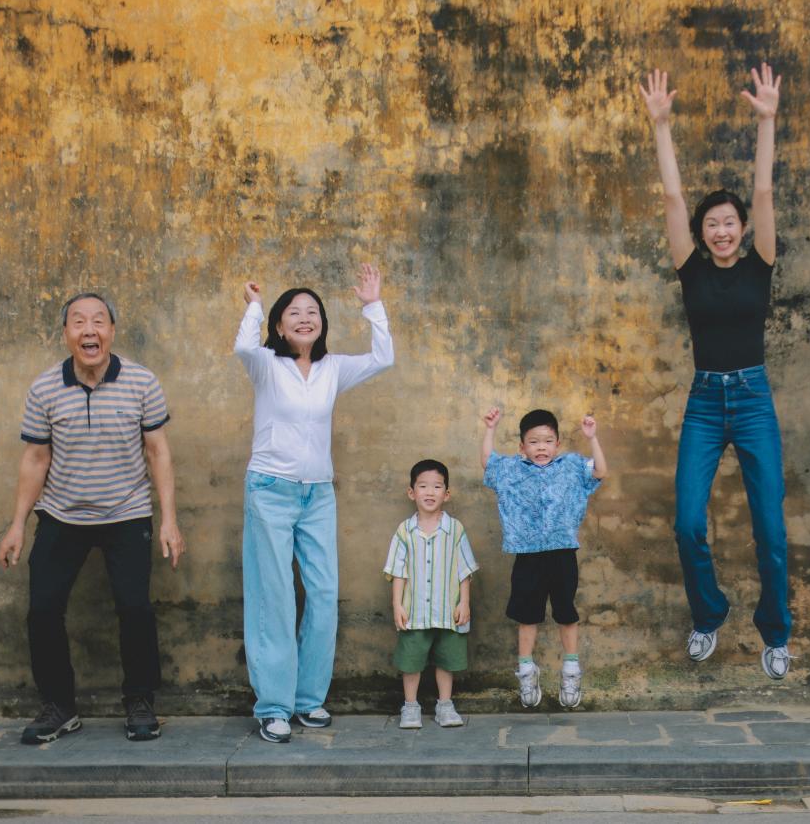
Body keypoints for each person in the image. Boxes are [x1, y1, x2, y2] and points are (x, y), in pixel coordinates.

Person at [639, 64, 794, 680]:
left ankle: (775, 633)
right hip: (706, 401)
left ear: (742, 229)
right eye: (713, 224)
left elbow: (762, 193)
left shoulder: (761, 260)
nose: (723, 229)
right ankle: (708, 615)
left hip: (753, 397)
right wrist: (661, 126)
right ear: (701, 236)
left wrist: (767, 120)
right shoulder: (691, 269)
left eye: (730, 222)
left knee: (772, 530)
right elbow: (674, 196)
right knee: (685, 521)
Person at [0, 292, 184, 745]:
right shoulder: (45, 387)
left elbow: (158, 451)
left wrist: (169, 520)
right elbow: (36, 458)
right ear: (66, 335)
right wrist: (18, 523)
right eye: (78, 323)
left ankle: (140, 702)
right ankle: (59, 707)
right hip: (62, 514)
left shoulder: (141, 381)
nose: (89, 331)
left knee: (135, 608)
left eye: (98, 322)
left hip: (127, 512)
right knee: (43, 608)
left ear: (112, 331)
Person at [235, 265, 393, 743]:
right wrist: (255, 307)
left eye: (312, 312)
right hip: (269, 490)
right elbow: (243, 346)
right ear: (280, 326)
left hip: (317, 494)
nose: (304, 318)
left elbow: (383, 358)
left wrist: (373, 305)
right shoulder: (265, 362)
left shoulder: (332, 369)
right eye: (293, 313)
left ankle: (308, 700)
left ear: (321, 322)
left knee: (323, 595)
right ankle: (274, 706)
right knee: (276, 597)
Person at [481, 408, 606, 708]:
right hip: (527, 555)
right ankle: (526, 669)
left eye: (548, 441)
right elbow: (488, 465)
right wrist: (490, 430)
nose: (541, 447)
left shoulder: (571, 466)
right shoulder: (512, 470)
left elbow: (600, 472)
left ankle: (571, 670)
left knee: (566, 612)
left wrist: (593, 438)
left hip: (563, 553)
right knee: (527, 615)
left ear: (558, 444)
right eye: (534, 442)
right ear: (522, 447)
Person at [383, 459, 478, 729]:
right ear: (411, 492)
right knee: (411, 661)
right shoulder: (405, 531)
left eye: (437, 486)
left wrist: (465, 603)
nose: (429, 492)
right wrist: (397, 605)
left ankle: (445, 705)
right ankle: (410, 706)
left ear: (446, 494)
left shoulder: (455, 530)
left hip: (448, 611)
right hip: (415, 612)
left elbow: (464, 570)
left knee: (446, 660)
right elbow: (398, 571)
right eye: (423, 486)